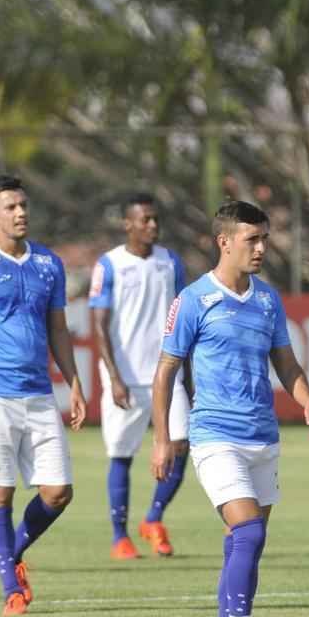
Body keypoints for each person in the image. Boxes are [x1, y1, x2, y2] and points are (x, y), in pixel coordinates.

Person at [150, 200, 309, 617]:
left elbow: (285, 362)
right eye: (253, 239)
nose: (262, 248)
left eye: (265, 238)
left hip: (262, 436)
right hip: (214, 436)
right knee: (248, 531)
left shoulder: (267, 299)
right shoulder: (192, 300)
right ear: (224, 242)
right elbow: (165, 373)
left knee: (244, 543)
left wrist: (306, 398)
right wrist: (163, 439)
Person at [0, 175, 87, 616]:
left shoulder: (49, 263)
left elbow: (58, 329)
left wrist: (75, 382)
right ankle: (11, 588)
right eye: (10, 207)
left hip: (39, 394)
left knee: (58, 492)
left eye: (23, 205)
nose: (20, 213)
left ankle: (11, 554)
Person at [89, 193, 191, 559]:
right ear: (127, 223)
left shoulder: (170, 262)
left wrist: (189, 376)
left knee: (181, 445)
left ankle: (153, 518)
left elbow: (183, 319)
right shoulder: (110, 265)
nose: (152, 225)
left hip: (166, 373)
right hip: (127, 377)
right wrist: (113, 376)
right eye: (145, 219)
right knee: (122, 454)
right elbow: (98, 325)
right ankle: (120, 536)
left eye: (155, 219)